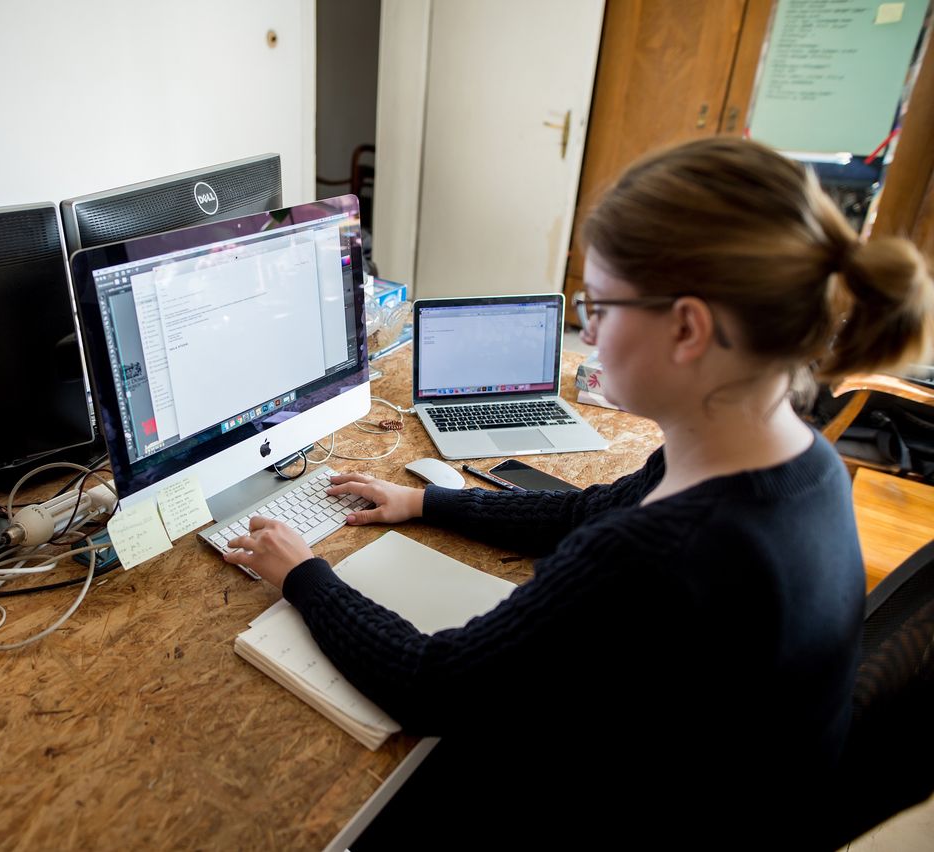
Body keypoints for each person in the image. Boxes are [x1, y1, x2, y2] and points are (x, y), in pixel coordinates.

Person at [222, 137, 934, 847]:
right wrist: (425, 501)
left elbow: (429, 683)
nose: (585, 334)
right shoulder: (796, 458)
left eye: (600, 305)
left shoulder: (656, 557)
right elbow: (586, 508)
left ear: (688, 327)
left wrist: (305, 575)